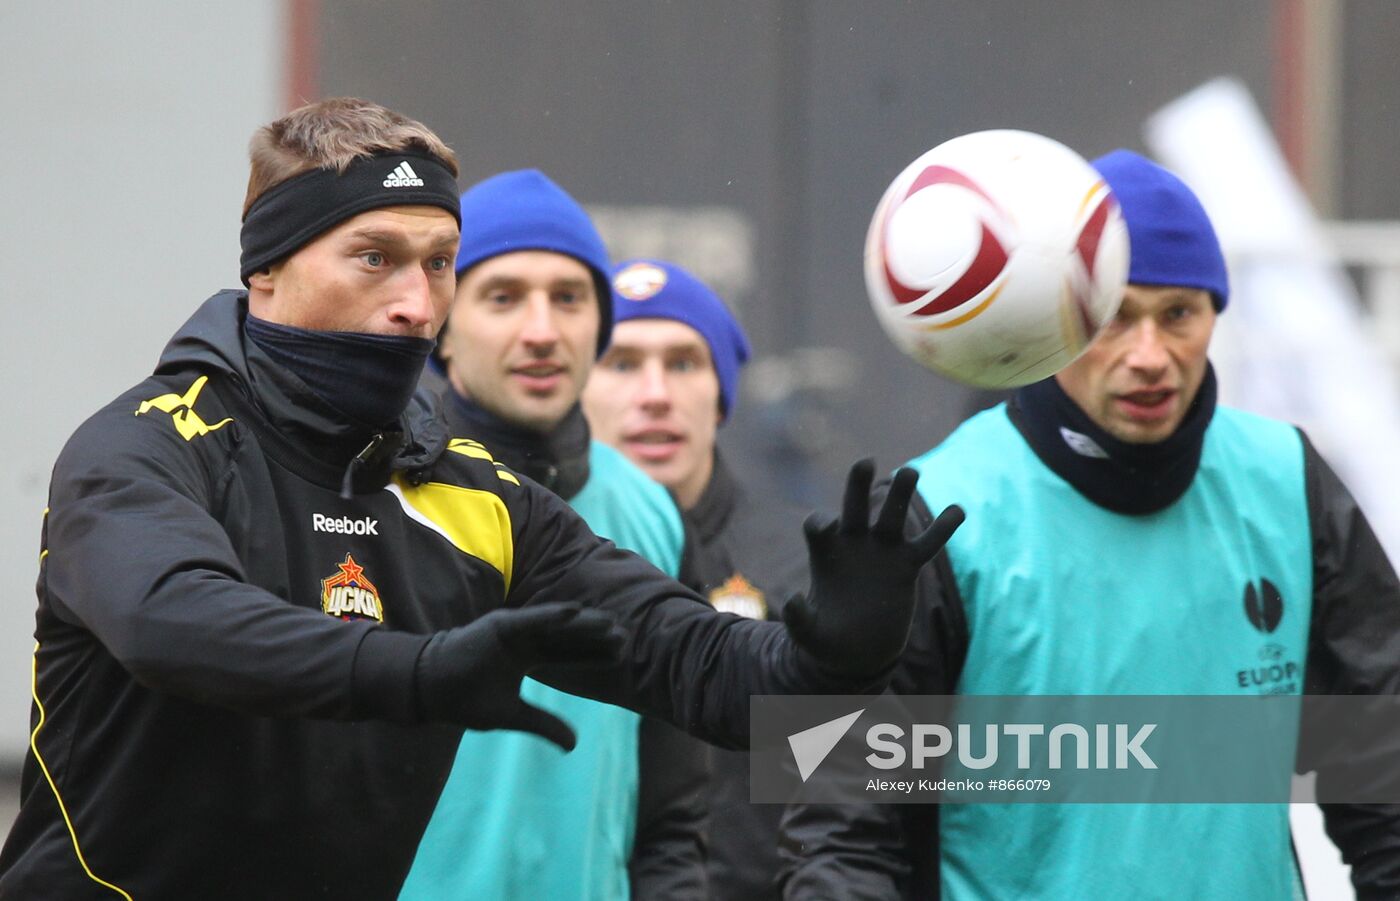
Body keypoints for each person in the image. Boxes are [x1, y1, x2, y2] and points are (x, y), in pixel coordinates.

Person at [0, 97, 960, 899]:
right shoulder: (147, 442)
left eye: (438, 261)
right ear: (267, 269)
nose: (419, 303)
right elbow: (172, 623)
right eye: (375, 257)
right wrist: (423, 671)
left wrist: (830, 654)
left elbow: (693, 663)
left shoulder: (473, 492)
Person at [779, 150, 1400, 899]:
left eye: (1178, 314)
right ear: (1054, 322)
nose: (1150, 356)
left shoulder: (1285, 481)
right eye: (1113, 317)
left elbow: (1383, 768)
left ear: (1213, 315)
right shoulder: (940, 511)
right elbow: (842, 828)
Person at [402, 171, 708, 899]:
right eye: (503, 297)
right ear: (443, 327)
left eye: (569, 298)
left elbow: (673, 812)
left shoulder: (649, 511)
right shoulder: (379, 497)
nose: (541, 330)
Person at [583, 258, 809, 900]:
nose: (655, 394)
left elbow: (855, 795)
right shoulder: (529, 554)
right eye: (622, 363)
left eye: (684, 362)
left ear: (721, 393)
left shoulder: (808, 563)